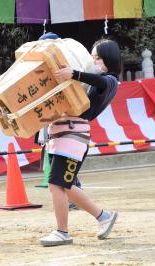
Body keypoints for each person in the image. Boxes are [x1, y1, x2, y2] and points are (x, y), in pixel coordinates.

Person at [39, 38, 121, 246]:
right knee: (59, 185)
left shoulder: (110, 81)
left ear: (109, 60)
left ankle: (64, 231)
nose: (94, 61)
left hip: (73, 135)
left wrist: (74, 73)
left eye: (98, 58)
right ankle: (102, 217)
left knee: (60, 183)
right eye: (92, 57)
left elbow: (100, 82)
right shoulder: (84, 84)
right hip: (61, 132)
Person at [37, 32, 82, 210]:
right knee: (57, 165)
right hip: (53, 124)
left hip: (66, 123)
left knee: (64, 166)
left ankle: (78, 195)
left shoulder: (65, 68)